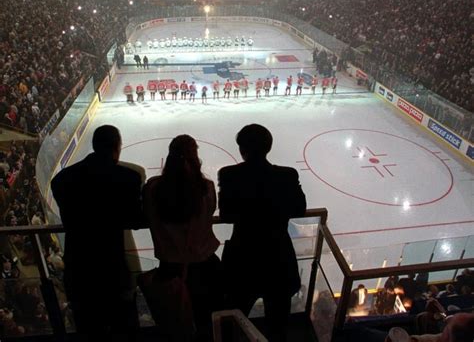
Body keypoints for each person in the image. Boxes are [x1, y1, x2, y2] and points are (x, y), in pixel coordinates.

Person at [51, 125, 143, 339]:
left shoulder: (62, 180)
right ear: (117, 148)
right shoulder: (128, 177)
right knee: (124, 328)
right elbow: (136, 219)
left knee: (89, 329)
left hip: (79, 271)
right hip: (113, 272)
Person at [218, 124, 306, 342]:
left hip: (243, 259)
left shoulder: (229, 175)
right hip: (278, 260)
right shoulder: (287, 175)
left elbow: (226, 215)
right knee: (278, 328)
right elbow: (299, 209)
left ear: (242, 149)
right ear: (268, 147)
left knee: (233, 321)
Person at [143, 135, 222, 341]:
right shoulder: (207, 189)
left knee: (174, 324)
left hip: (169, 270)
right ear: (196, 158)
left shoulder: (152, 189)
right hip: (205, 268)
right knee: (207, 323)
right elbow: (210, 211)